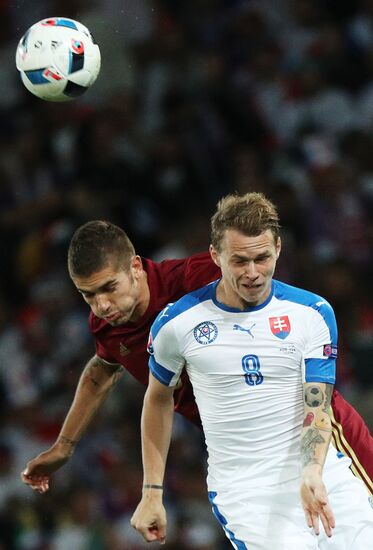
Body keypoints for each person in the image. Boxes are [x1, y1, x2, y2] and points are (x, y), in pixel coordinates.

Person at [21, 218, 372, 499]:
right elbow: (102, 370)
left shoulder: (196, 279)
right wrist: (65, 446)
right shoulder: (108, 327)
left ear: (136, 268)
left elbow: (270, 294)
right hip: (246, 457)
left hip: (311, 425)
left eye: (109, 287)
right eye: (88, 295)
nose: (101, 306)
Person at [131, 192, 373, 549]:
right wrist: (152, 491)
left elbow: (317, 406)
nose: (253, 273)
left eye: (262, 258)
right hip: (247, 492)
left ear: (278, 247)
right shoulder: (177, 324)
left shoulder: (312, 313)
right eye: (239, 261)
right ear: (215, 256)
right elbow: (158, 399)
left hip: (322, 471)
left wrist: (311, 470)